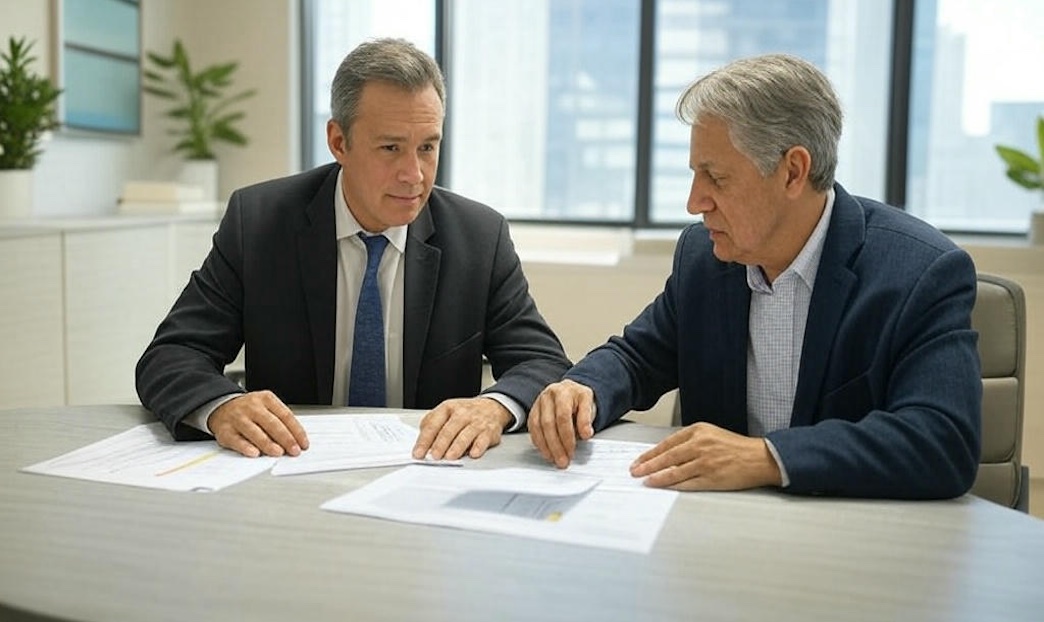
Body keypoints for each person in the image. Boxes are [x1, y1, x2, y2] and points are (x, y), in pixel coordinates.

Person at [528, 53, 981, 500]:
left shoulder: (919, 272)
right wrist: (582, 388)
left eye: (716, 178)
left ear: (793, 172)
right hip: (724, 526)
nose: (694, 202)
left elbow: (942, 439)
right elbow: (637, 358)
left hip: (850, 532)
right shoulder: (704, 258)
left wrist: (766, 457)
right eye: (695, 175)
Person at [136, 38, 571, 461]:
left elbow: (543, 362)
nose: (414, 174)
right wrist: (222, 407)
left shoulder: (478, 237)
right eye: (391, 148)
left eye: (427, 147)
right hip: (291, 467)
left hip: (428, 469)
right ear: (339, 142)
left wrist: (493, 406)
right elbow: (172, 355)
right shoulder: (260, 223)